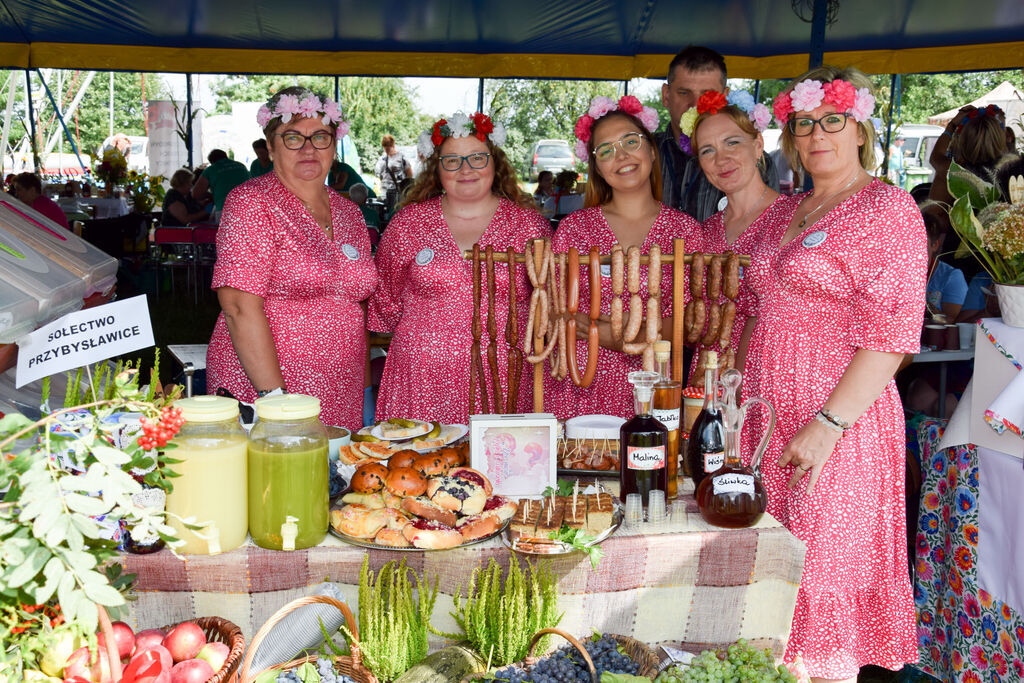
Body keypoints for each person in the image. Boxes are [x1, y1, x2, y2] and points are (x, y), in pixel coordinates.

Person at [738, 66, 927, 681]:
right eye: (804, 123)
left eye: (833, 120)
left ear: (860, 127)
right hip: (765, 417)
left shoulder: (888, 209)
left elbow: (893, 334)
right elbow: (752, 313)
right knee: (767, 588)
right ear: (790, 136)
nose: (818, 134)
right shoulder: (785, 211)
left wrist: (827, 424)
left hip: (838, 423)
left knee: (819, 587)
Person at [206, 87, 376, 430]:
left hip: (341, 385)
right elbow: (238, 306)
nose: (309, 148)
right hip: (268, 386)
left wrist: (365, 391)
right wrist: (275, 400)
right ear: (270, 146)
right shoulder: (252, 203)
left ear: (334, 143)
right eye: (293, 137)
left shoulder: (349, 213)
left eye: (320, 137)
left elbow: (353, 307)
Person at [369, 112, 548, 423]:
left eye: (478, 158)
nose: (466, 169)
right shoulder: (407, 225)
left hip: (505, 380)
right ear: (437, 169)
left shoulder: (530, 226)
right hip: (421, 379)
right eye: (452, 160)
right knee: (416, 468)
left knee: (498, 469)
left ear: (495, 161)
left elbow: (548, 308)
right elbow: (384, 303)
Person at [547, 95, 702, 419]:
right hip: (578, 390)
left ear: (651, 149)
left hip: (654, 391)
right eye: (606, 150)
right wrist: (649, 328)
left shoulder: (684, 231)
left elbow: (687, 327)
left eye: (630, 141)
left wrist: (605, 332)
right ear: (597, 169)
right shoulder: (576, 229)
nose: (621, 156)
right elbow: (555, 318)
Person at [685, 90, 799, 379]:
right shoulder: (706, 230)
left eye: (732, 142)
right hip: (708, 376)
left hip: (770, 371)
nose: (721, 159)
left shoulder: (794, 218)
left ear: (758, 145)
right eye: (707, 150)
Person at [655, 45, 779, 222]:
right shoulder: (643, 153)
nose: (695, 104)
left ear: (724, 97)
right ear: (666, 95)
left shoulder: (755, 161)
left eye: (708, 94)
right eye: (684, 93)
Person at [921, 202, 966, 320]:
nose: (914, 249)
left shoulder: (952, 276)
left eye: (920, 243)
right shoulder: (897, 273)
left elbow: (951, 321)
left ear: (935, 245)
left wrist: (922, 305)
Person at [192, 149, 250, 220]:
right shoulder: (242, 166)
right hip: (248, 209)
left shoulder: (211, 169)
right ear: (226, 157)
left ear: (212, 162)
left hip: (225, 211)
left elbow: (195, 194)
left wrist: (211, 196)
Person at [375, 134, 413, 210]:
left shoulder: (402, 158)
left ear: (393, 145)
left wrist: (404, 190)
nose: (387, 148)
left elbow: (409, 175)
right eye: (385, 146)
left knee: (396, 211)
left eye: (389, 146)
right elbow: (378, 175)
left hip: (398, 193)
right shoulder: (382, 159)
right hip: (385, 192)